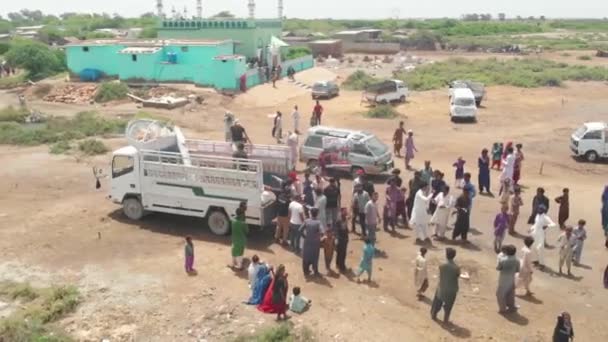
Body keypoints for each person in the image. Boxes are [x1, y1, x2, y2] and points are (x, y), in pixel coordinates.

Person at [431, 248, 461, 324]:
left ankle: (434, 315)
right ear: (454, 256)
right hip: (452, 289)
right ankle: (445, 320)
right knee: (449, 306)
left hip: (442, 287)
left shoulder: (442, 265)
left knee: (437, 303)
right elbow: (457, 276)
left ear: (446, 255)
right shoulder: (456, 268)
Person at [496, 245, 520, 314]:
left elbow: (498, 268)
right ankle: (511, 306)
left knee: (500, 295)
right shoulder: (517, 260)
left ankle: (502, 309)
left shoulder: (503, 260)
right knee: (510, 293)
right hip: (512, 278)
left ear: (506, 252)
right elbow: (517, 270)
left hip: (503, 279)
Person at [301, 208, 322, 277]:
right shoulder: (318, 222)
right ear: (317, 214)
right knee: (315, 256)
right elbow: (322, 232)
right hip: (315, 243)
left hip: (307, 241)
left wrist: (305, 237)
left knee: (306, 256)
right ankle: (315, 271)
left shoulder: (306, 221)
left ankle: (306, 271)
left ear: (311, 213)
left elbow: (300, 230)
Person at [231, 204, 249, 270]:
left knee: (233, 251)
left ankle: (233, 264)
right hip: (241, 240)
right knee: (240, 253)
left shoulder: (233, 221)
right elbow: (247, 231)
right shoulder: (243, 223)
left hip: (234, 239)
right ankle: (239, 266)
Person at [335, 208, 349, 272]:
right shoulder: (340, 220)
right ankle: (342, 266)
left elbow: (345, 228)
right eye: (345, 211)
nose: (346, 212)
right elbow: (341, 229)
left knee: (340, 253)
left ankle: (338, 264)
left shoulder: (344, 219)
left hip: (343, 238)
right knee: (342, 253)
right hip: (341, 239)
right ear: (341, 212)